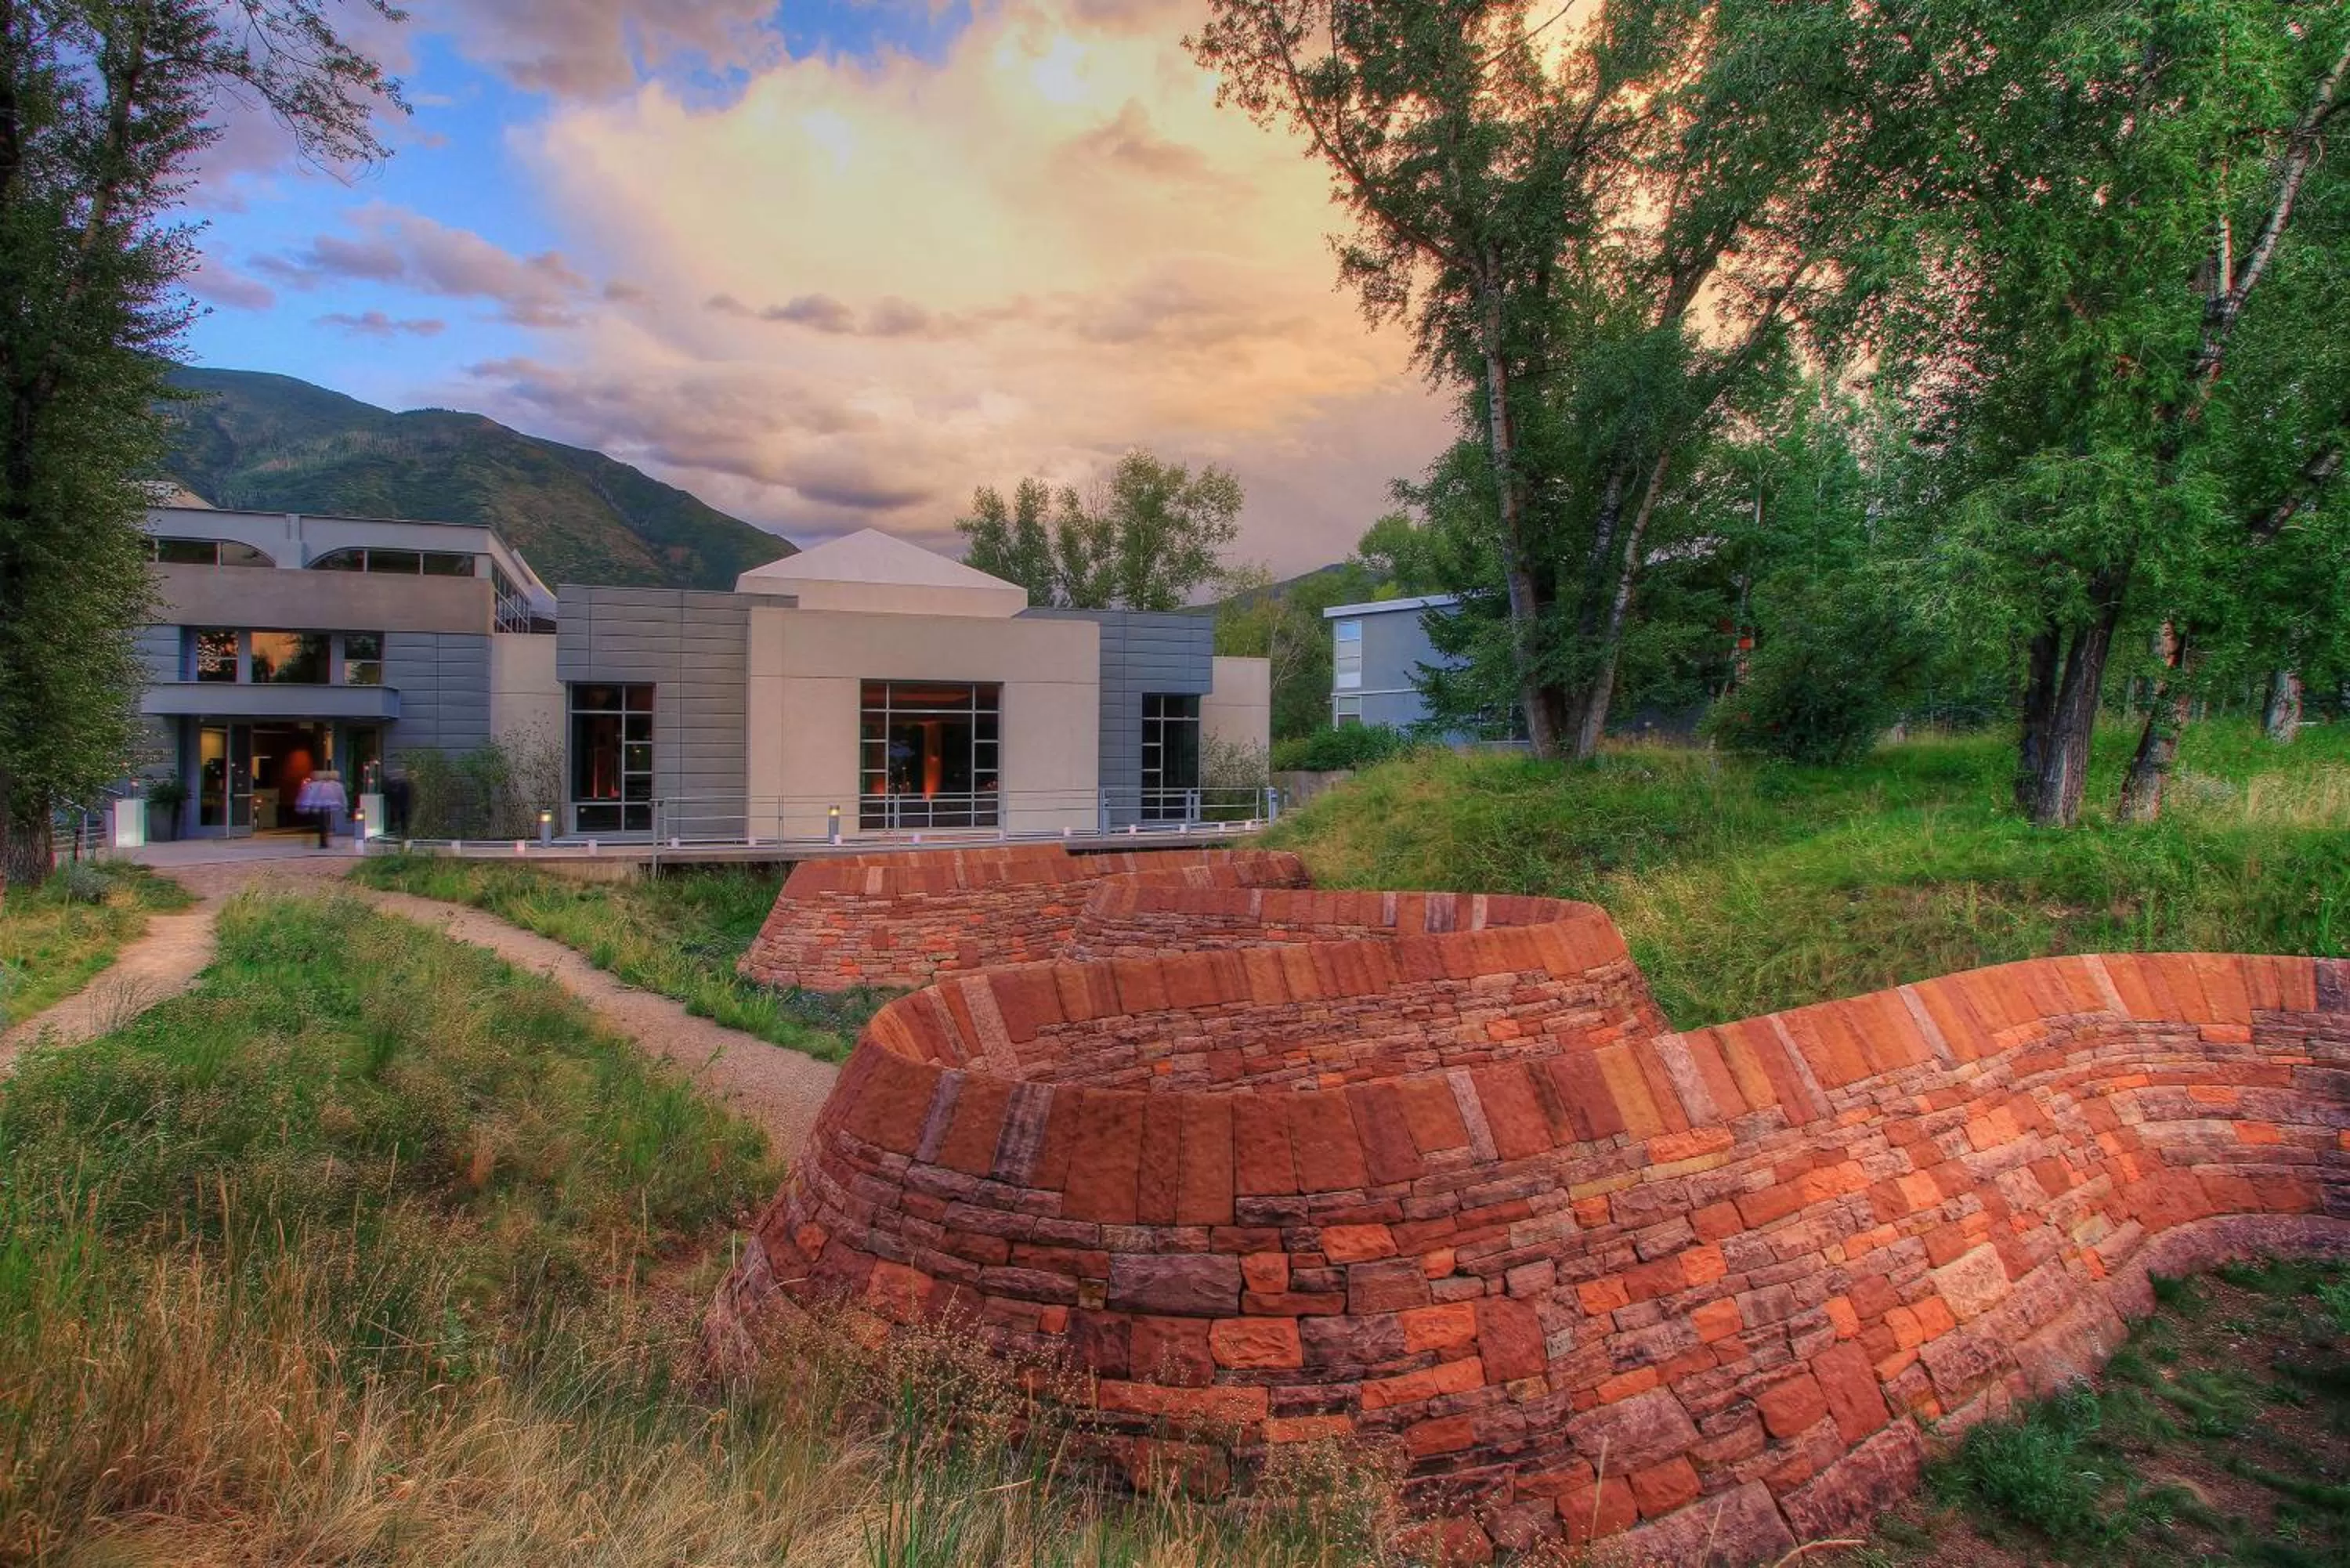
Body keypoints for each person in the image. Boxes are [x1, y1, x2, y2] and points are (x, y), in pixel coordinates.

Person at [295, 769, 349, 847]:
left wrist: (307, 805)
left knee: (322, 823)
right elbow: (341, 796)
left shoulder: (315, 785)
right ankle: (323, 842)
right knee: (324, 823)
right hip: (325, 806)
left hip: (320, 806)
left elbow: (310, 795)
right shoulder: (335, 785)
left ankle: (323, 841)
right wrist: (344, 806)